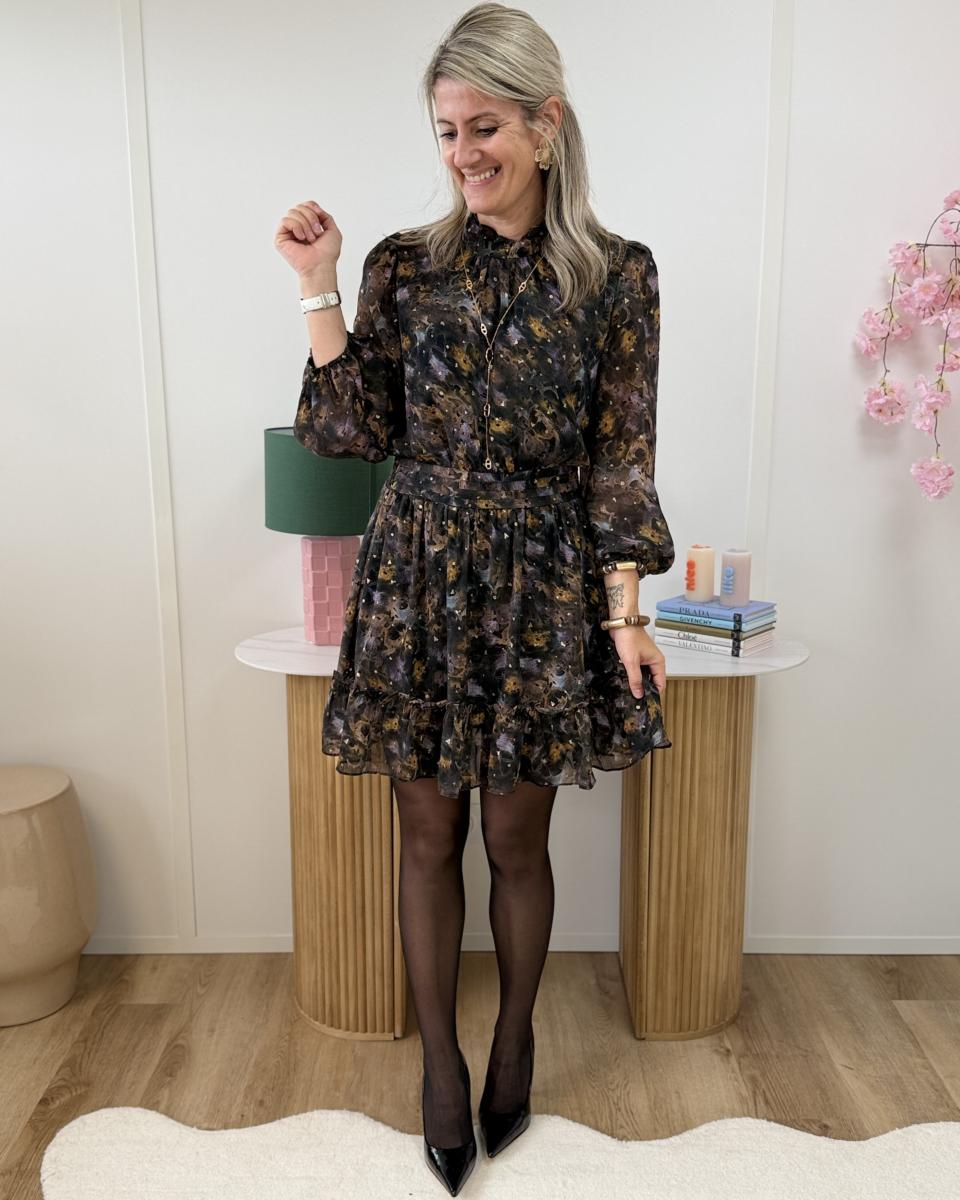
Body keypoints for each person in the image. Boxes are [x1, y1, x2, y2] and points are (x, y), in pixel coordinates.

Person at [274, 4, 674, 1192]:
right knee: (427, 833)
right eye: (447, 131)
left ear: (546, 123)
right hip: (420, 575)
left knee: (513, 837)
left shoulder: (619, 277)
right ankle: (443, 1069)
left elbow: (620, 459)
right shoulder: (407, 265)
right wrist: (319, 285)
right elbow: (352, 429)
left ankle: (515, 1042)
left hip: (540, 580)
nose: (462, 154)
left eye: (484, 127)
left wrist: (626, 613)